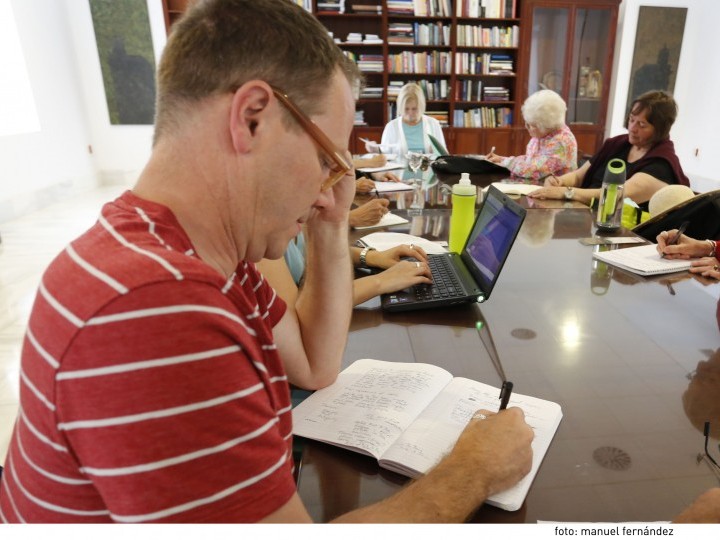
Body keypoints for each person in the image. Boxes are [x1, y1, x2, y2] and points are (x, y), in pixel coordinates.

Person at [0, 0, 533, 523]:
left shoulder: (209, 257)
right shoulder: (156, 309)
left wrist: (329, 219)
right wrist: (473, 469)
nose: (331, 185)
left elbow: (314, 366)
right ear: (252, 119)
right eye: (328, 158)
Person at [528, 90, 690, 207]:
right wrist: (560, 181)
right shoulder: (617, 144)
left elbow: (615, 195)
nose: (632, 128)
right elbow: (579, 176)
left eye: (642, 125)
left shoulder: (662, 164)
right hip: (584, 213)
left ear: (660, 129)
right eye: (632, 120)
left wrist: (566, 192)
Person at [259, 238, 432, 307]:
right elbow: (297, 317)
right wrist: (381, 281)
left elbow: (315, 250)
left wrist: (373, 257)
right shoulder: (259, 240)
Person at [486, 89, 577, 182]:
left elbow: (532, 171)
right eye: (526, 122)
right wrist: (501, 159)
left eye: (531, 125)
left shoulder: (561, 141)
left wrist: (507, 162)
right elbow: (530, 160)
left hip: (553, 192)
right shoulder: (542, 134)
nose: (526, 127)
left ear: (546, 125)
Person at [368, 83, 447, 156]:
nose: (410, 113)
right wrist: (376, 150)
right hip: (398, 171)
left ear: (421, 106)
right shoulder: (391, 127)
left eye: (414, 109)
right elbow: (385, 155)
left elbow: (443, 155)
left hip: (428, 171)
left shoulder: (433, 124)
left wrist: (435, 153)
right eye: (406, 109)